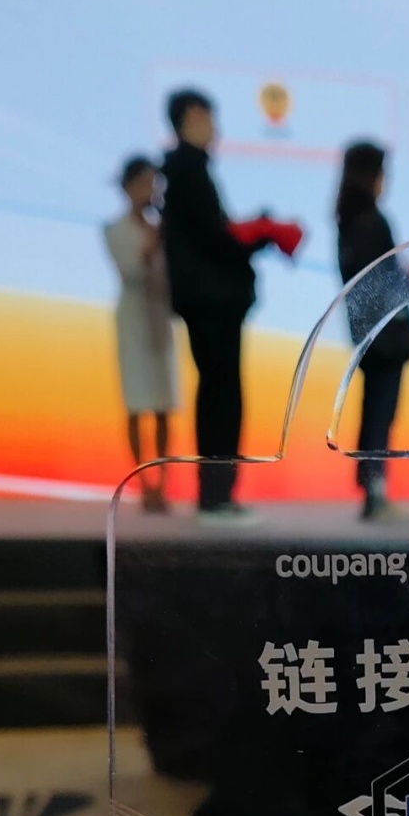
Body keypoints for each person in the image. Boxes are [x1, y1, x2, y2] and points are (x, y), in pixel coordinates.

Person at [161, 89, 269, 521]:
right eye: (208, 118)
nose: (216, 129)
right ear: (190, 118)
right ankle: (217, 494)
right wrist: (259, 237)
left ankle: (217, 491)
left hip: (208, 300)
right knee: (222, 396)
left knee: (217, 393)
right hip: (213, 301)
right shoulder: (188, 170)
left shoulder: (186, 170)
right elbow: (215, 239)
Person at [336, 141, 409, 521]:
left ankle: (373, 488)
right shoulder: (372, 221)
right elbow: (385, 280)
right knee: (380, 412)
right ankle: (375, 489)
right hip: (385, 334)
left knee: (375, 411)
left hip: (367, 333)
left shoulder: (348, 220)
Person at [103, 156, 178, 512]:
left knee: (164, 403)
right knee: (136, 402)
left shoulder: (161, 228)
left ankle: (162, 482)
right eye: (145, 183)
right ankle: (142, 484)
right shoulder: (115, 230)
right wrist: (153, 245)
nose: (151, 191)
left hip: (160, 317)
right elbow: (130, 272)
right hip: (133, 318)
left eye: (154, 184)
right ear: (129, 187)